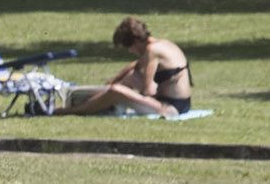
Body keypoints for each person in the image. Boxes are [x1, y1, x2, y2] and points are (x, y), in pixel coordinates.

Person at [59, 17, 192, 117]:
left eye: (129, 48)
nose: (130, 52)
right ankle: (98, 102)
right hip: (181, 103)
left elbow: (147, 91)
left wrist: (117, 89)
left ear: (135, 42)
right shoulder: (162, 43)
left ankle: (71, 111)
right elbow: (135, 66)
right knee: (126, 80)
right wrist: (111, 82)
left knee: (117, 91)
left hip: (170, 109)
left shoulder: (152, 51)